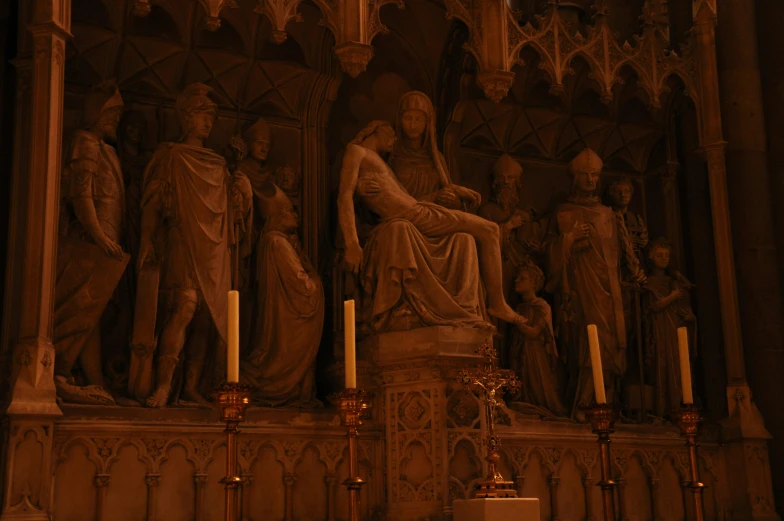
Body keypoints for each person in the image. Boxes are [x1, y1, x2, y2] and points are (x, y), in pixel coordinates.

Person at [337, 120, 524, 326]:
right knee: (490, 229)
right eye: (391, 136)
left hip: (420, 212)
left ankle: (491, 303)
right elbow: (344, 196)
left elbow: (409, 199)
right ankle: (498, 303)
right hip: (415, 216)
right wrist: (352, 243)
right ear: (379, 131)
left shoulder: (380, 163)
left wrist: (450, 191)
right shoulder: (357, 151)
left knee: (482, 231)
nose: (395, 141)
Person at [134, 83, 252, 407]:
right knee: (185, 304)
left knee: (206, 317)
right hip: (183, 238)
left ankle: (191, 387)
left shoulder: (217, 163)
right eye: (202, 116)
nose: (208, 123)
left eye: (211, 118)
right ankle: (162, 385)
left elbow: (230, 210)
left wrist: (239, 192)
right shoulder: (171, 155)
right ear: (187, 118)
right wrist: (147, 237)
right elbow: (154, 201)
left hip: (214, 249)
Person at [545, 148, 645, 419]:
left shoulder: (609, 214)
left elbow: (623, 254)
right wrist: (569, 239)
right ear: (574, 178)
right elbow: (548, 255)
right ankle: (584, 403)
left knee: (612, 344)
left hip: (610, 291)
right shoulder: (564, 212)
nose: (590, 180)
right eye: (585, 175)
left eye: (594, 175)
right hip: (581, 290)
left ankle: (608, 402)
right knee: (588, 343)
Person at [54, 80, 129, 405]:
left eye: (117, 116)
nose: (114, 121)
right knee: (76, 309)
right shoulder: (85, 142)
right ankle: (59, 372)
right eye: (110, 114)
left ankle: (93, 380)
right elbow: (81, 196)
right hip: (88, 245)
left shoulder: (106, 149)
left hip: (104, 248)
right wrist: (99, 237)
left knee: (91, 314)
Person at [242, 183, 324, 407]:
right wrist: (315, 280)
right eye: (289, 211)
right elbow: (303, 288)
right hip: (285, 322)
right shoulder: (278, 243)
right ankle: (284, 384)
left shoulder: (271, 242)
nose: (295, 215)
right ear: (277, 216)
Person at [389, 91, 479, 209]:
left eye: (419, 119)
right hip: (403, 219)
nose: (413, 125)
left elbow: (449, 194)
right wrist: (433, 197)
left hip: (436, 217)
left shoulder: (436, 158)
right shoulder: (391, 155)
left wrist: (452, 200)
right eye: (408, 118)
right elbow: (392, 202)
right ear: (399, 120)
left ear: (428, 122)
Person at [644, 237, 696, 418]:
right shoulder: (649, 282)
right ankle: (662, 410)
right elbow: (654, 306)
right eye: (660, 255)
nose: (664, 259)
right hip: (660, 330)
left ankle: (677, 408)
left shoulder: (675, 282)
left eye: (667, 255)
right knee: (662, 366)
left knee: (678, 367)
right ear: (651, 256)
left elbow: (685, 307)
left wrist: (691, 318)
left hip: (676, 330)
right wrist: (673, 297)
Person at [509, 261, 567, 416]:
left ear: (534, 283)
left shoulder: (542, 306)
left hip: (535, 354)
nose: (517, 281)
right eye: (517, 278)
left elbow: (535, 333)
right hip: (520, 351)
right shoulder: (519, 307)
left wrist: (513, 318)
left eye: (522, 279)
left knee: (536, 385)